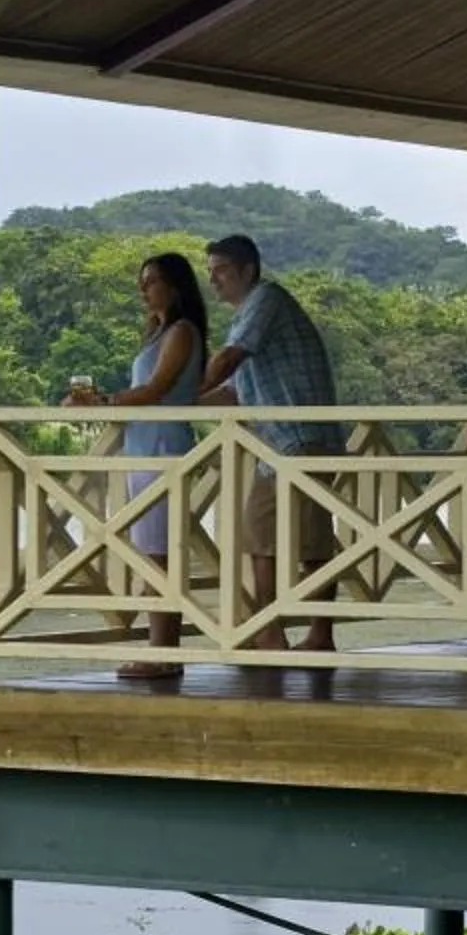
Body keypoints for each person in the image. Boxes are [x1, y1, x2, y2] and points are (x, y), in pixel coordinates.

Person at [196, 234, 339, 653]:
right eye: (210, 272)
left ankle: (301, 632)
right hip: (278, 445)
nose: (214, 281)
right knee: (276, 536)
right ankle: (285, 631)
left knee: (299, 540)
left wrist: (180, 383)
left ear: (247, 270)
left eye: (221, 270)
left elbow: (226, 363)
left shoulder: (266, 300)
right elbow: (232, 392)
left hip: (301, 438)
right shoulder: (247, 316)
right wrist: (178, 398)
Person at [67, 252, 207, 679]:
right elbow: (143, 391)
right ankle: (161, 650)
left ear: (174, 286)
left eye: (151, 281)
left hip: (163, 450)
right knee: (152, 553)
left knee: (159, 557)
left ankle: (163, 653)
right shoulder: (157, 332)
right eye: (142, 281)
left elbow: (156, 389)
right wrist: (104, 401)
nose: (143, 289)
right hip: (142, 447)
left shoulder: (182, 332)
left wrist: (103, 401)